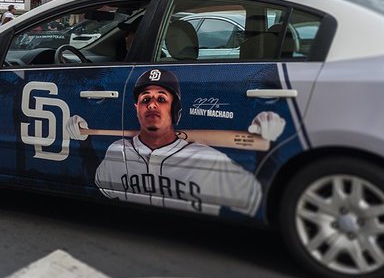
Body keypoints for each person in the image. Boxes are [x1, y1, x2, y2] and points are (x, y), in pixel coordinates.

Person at [73, 68, 266, 217]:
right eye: (146, 99)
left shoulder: (206, 158)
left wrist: (268, 149)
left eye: (161, 99)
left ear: (176, 111)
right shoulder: (118, 150)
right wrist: (84, 142)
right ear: (137, 109)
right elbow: (96, 183)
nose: (152, 104)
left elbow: (256, 195)